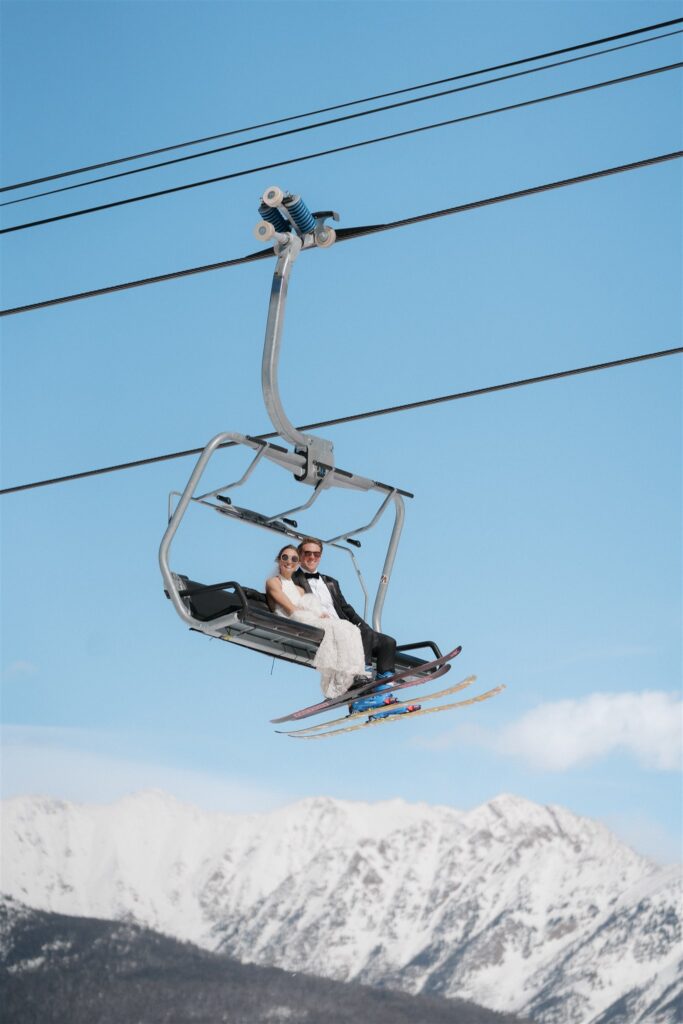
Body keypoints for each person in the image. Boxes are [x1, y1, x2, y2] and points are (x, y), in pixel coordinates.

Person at [265, 545, 370, 700]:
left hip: (305, 617)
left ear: (298, 563)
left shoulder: (300, 590)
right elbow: (290, 609)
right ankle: (343, 679)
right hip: (292, 620)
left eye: (294, 559)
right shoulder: (273, 582)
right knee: (338, 628)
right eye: (285, 557)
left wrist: (320, 615)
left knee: (351, 628)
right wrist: (313, 617)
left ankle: (353, 674)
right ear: (278, 560)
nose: (289, 561)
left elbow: (308, 606)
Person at [293, 537, 397, 681]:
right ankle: (361, 674)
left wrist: (366, 627)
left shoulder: (330, 582)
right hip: (322, 625)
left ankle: (385, 684)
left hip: (343, 624)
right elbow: (283, 599)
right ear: (299, 555)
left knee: (388, 642)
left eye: (316, 554)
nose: (312, 557)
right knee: (360, 633)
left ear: (320, 557)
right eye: (307, 553)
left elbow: (346, 609)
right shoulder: (293, 580)